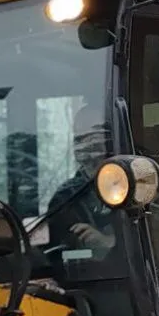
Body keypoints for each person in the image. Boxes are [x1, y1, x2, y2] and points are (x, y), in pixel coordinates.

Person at [41, 102, 117, 257]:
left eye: (95, 137)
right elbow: (52, 256)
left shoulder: (142, 186)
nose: (88, 147)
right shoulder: (66, 199)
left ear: (113, 141)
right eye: (80, 140)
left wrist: (109, 243)